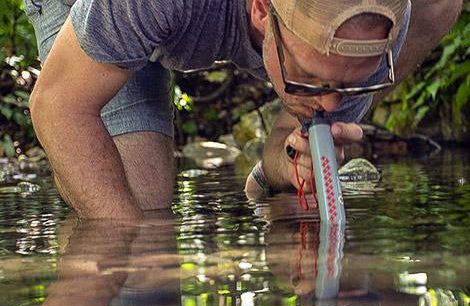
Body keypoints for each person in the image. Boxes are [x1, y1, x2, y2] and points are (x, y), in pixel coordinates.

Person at [26, 0, 462, 219]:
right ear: (260, 10)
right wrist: (131, 255)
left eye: (351, 81)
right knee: (134, 221)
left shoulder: (404, 10)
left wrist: (294, 157)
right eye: (311, 77)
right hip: (88, 19)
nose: (333, 103)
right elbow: (58, 104)